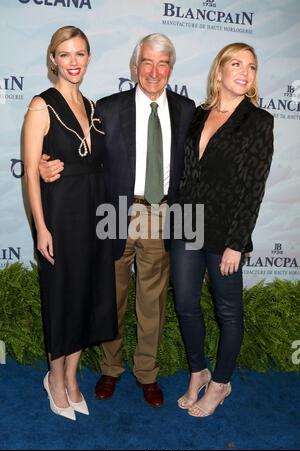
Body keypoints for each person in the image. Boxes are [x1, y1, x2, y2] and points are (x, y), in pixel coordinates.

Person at [39, 33, 195, 407]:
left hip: (162, 213)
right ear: (134, 66)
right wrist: (44, 164)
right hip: (113, 212)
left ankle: (147, 374)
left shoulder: (188, 110)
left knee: (152, 301)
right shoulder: (105, 108)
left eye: (162, 63)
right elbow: (72, 148)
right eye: (147, 62)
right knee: (112, 295)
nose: (154, 71)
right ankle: (111, 369)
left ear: (170, 68)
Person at [170, 42, 274, 417]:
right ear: (219, 71)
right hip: (186, 223)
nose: (244, 71)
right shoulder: (198, 115)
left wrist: (237, 242)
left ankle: (221, 383)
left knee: (228, 312)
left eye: (251, 66)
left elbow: (253, 186)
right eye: (236, 63)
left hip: (225, 231)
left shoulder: (259, 121)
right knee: (184, 303)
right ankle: (199, 371)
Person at [24, 26, 117, 421]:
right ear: (53, 60)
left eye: (80, 53)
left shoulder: (94, 108)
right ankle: (55, 377)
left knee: (87, 297)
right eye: (65, 54)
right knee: (62, 297)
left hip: (95, 214)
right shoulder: (40, 105)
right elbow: (31, 173)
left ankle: (73, 376)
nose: (74, 62)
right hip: (60, 217)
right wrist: (41, 228)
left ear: (89, 58)